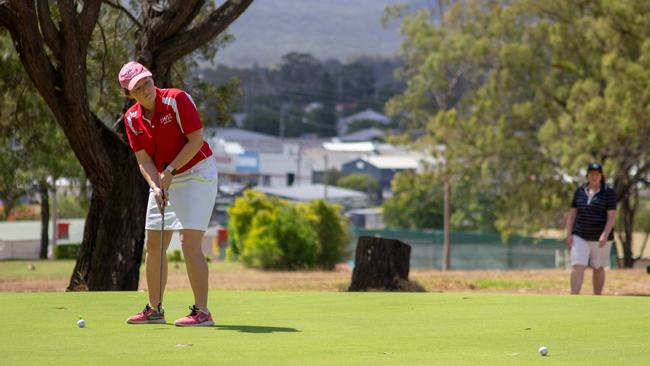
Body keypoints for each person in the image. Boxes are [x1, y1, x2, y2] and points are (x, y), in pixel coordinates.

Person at [118, 61, 218, 326]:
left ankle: (203, 312)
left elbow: (196, 140)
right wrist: (154, 185)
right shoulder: (131, 119)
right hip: (164, 178)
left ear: (153, 79)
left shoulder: (177, 100)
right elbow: (144, 159)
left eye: (146, 82)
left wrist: (170, 172)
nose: (144, 89)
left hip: (197, 172)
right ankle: (155, 309)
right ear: (129, 95)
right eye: (136, 88)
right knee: (154, 244)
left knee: (188, 242)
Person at [565, 162, 617, 295]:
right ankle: (574, 297)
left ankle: (597, 297)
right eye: (591, 174)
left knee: (598, 267)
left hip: (600, 238)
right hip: (580, 234)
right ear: (587, 176)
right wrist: (569, 233)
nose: (594, 176)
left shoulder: (608, 192)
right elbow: (572, 213)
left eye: (597, 174)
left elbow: (611, 216)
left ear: (601, 176)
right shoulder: (579, 191)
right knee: (578, 266)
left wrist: (605, 234)